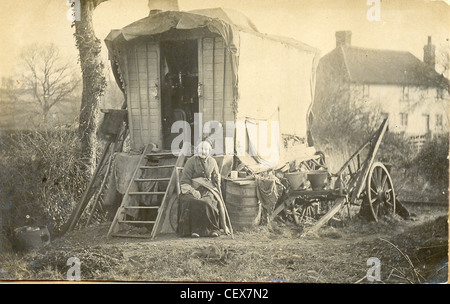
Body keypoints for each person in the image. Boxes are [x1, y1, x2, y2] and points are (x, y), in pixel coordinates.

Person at [177, 141, 230, 238]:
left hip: (207, 188)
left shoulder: (212, 161)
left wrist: (217, 179)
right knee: (192, 201)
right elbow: (185, 181)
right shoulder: (191, 161)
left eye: (206, 149)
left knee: (208, 202)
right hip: (192, 188)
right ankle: (194, 231)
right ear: (197, 150)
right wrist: (193, 191)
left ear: (209, 151)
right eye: (201, 149)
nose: (203, 151)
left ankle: (213, 230)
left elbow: (215, 178)